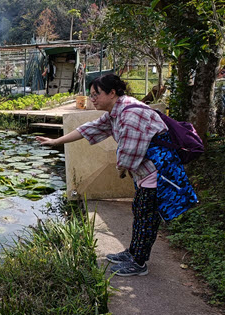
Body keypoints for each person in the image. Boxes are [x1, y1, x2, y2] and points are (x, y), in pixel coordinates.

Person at [36, 73, 197, 277]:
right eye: (91, 94)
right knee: (140, 212)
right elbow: (90, 128)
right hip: (146, 171)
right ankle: (133, 253)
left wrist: (121, 169)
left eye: (96, 94)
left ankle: (139, 263)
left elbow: (129, 153)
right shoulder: (116, 110)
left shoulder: (131, 114)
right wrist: (56, 142)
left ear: (112, 93)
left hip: (158, 172)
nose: (92, 99)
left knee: (146, 217)